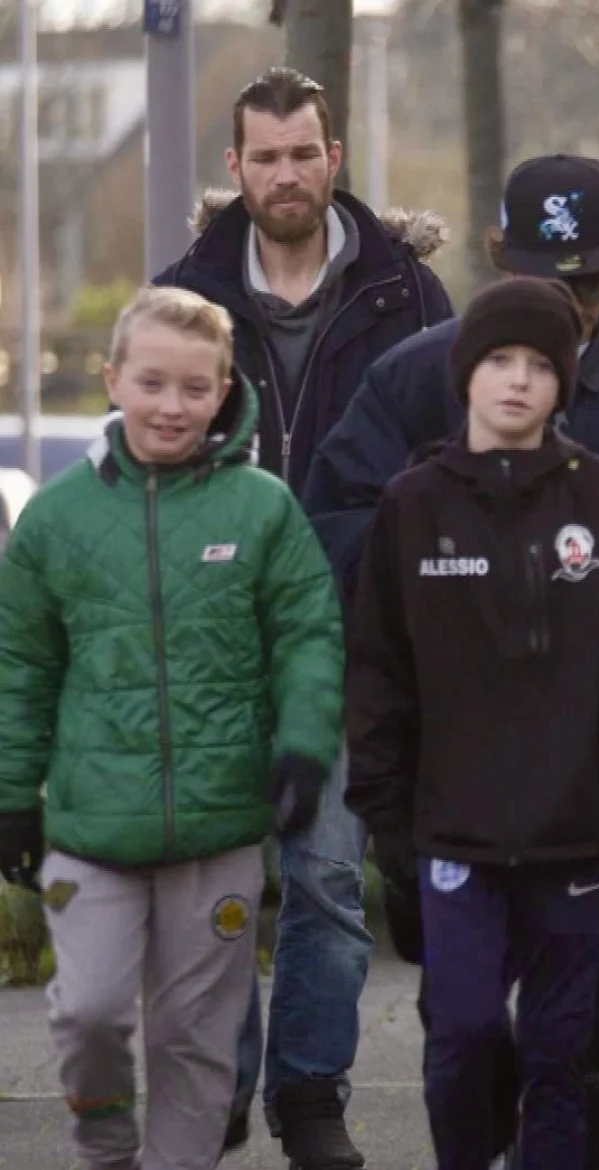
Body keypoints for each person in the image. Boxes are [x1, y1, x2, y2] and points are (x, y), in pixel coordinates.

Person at [304, 153, 599, 1170]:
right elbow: (333, 533)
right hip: (450, 785)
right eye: (550, 274)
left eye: (591, 278)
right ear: (501, 259)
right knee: (464, 1027)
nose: (572, 299)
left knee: (593, 1031)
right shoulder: (413, 381)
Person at [154, 66, 453, 1169]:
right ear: (235, 167)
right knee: (218, 879)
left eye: (305, 152)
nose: (288, 173)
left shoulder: (411, 298)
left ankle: (311, 1096)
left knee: (327, 875)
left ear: (336, 158)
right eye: (265, 155)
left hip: (350, 637)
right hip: (215, 640)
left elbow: (446, 466)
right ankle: (221, 1081)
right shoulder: (184, 294)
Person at [344, 277, 599, 1170]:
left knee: (560, 1051)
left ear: (563, 384)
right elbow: (379, 672)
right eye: (499, 359)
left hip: (574, 836)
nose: (517, 380)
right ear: (465, 373)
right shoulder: (411, 504)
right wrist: (385, 817)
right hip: (453, 832)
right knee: (461, 1038)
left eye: (541, 364)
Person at [0, 286, 343, 1170]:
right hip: (91, 830)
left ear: (224, 390)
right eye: (151, 382)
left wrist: (304, 746)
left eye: (196, 388)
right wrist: (10, 797)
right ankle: (107, 1147)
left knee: (197, 1043)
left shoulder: (263, 509)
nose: (171, 406)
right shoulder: (56, 518)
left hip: (219, 832)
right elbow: (21, 669)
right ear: (114, 381)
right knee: (90, 1016)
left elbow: (308, 637)